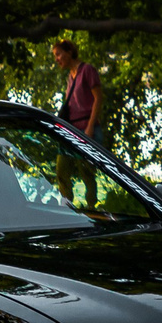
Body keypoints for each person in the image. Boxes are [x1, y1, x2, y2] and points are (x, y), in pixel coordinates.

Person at [51, 40, 106, 204]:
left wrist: (90, 126)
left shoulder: (87, 70)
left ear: (69, 52)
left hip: (87, 129)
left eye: (58, 54)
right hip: (71, 131)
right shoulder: (70, 77)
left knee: (87, 173)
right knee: (62, 169)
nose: (57, 59)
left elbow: (98, 98)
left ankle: (91, 209)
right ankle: (67, 207)